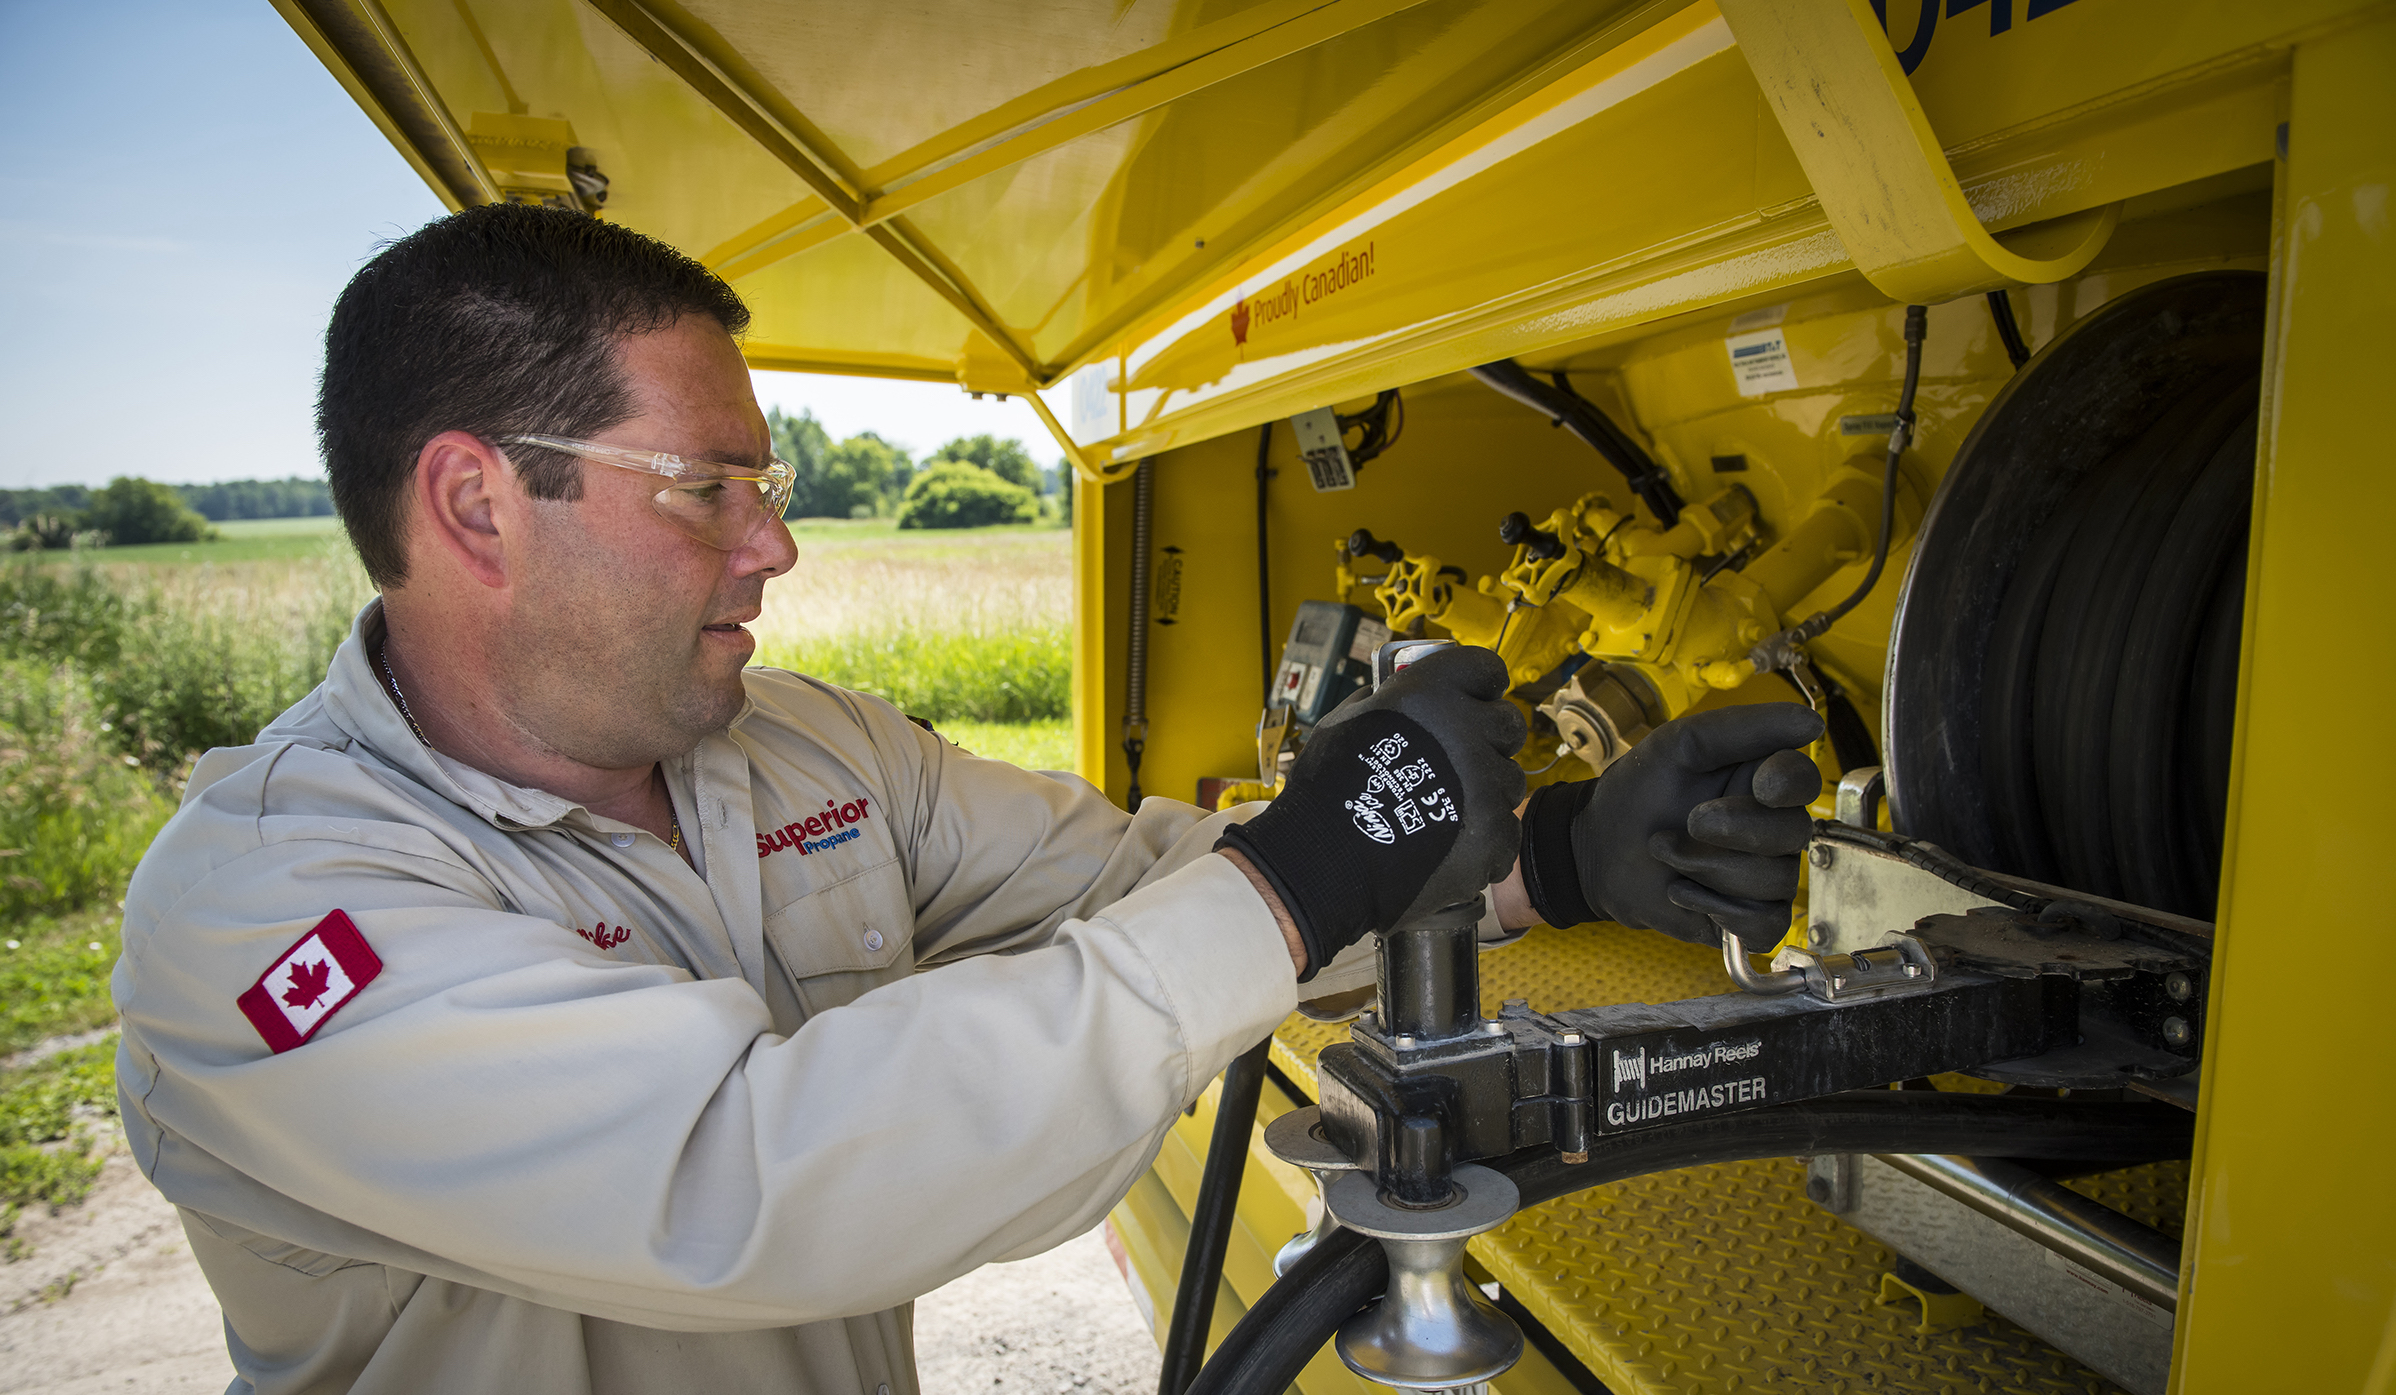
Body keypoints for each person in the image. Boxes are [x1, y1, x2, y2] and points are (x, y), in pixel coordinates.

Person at [112, 203, 1822, 1395]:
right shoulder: (269, 916)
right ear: (478, 505)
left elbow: (1166, 898)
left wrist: (1551, 859)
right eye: (707, 487)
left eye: (764, 486)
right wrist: (1318, 857)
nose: (776, 544)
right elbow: (743, 1184)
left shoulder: (808, 754)